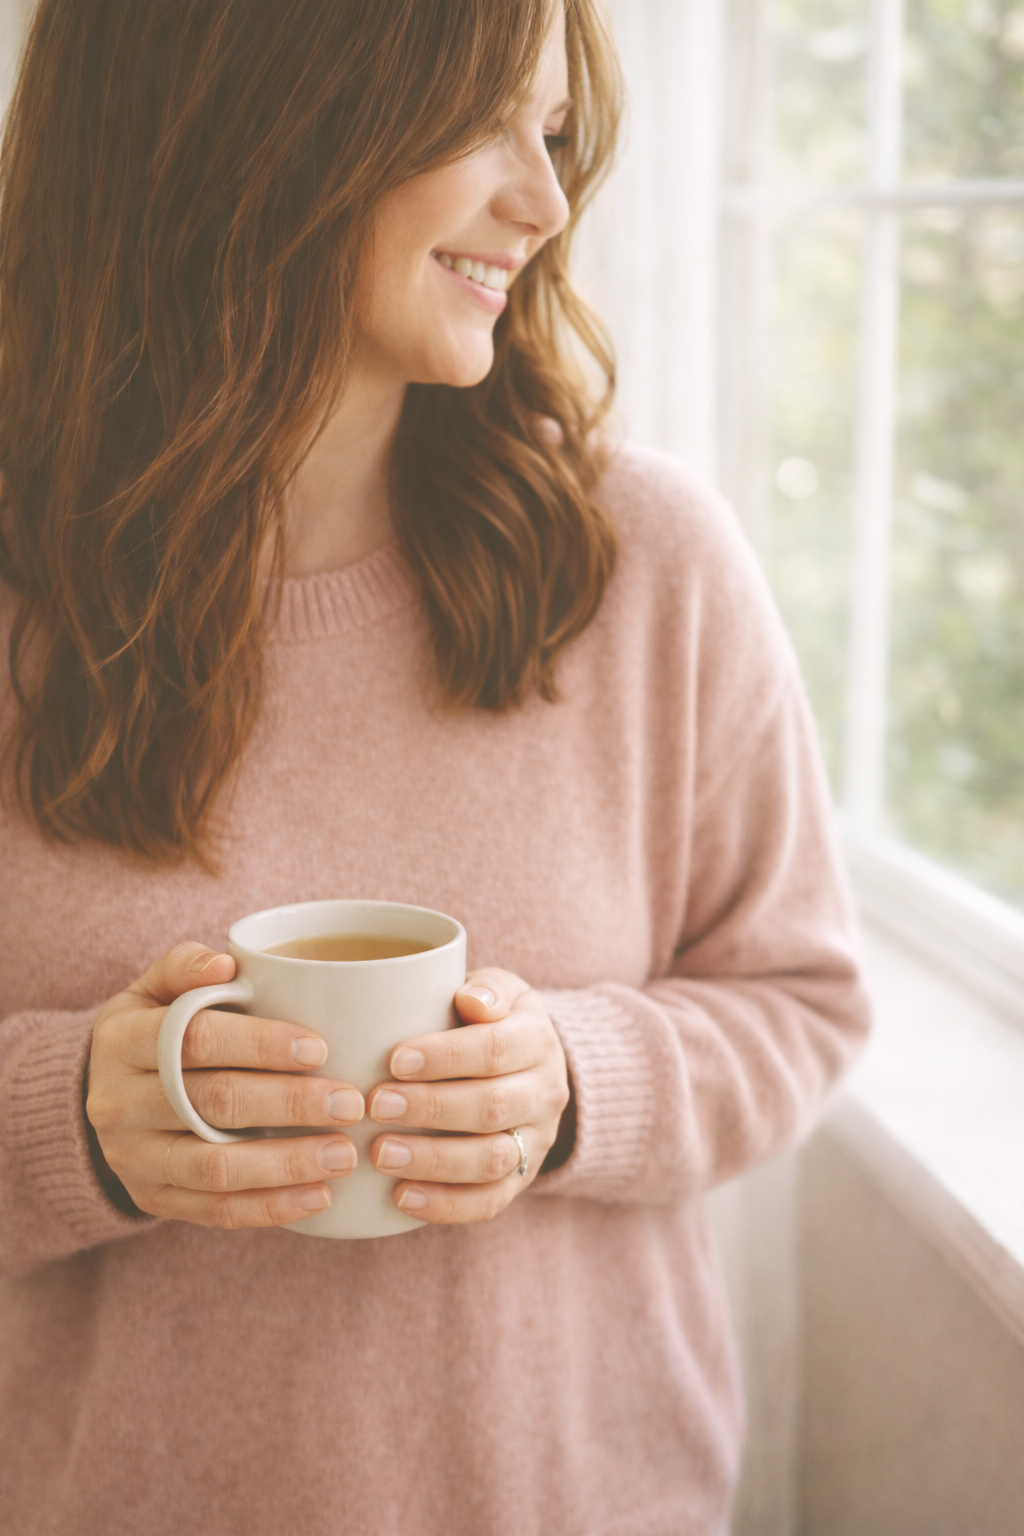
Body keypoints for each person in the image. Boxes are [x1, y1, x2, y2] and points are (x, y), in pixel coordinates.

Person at [0, 2, 870, 1533]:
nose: (545, 205)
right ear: (248, 113)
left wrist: (574, 1091)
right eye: (486, 126)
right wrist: (69, 1124)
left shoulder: (646, 570)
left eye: (553, 135)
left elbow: (799, 1003)